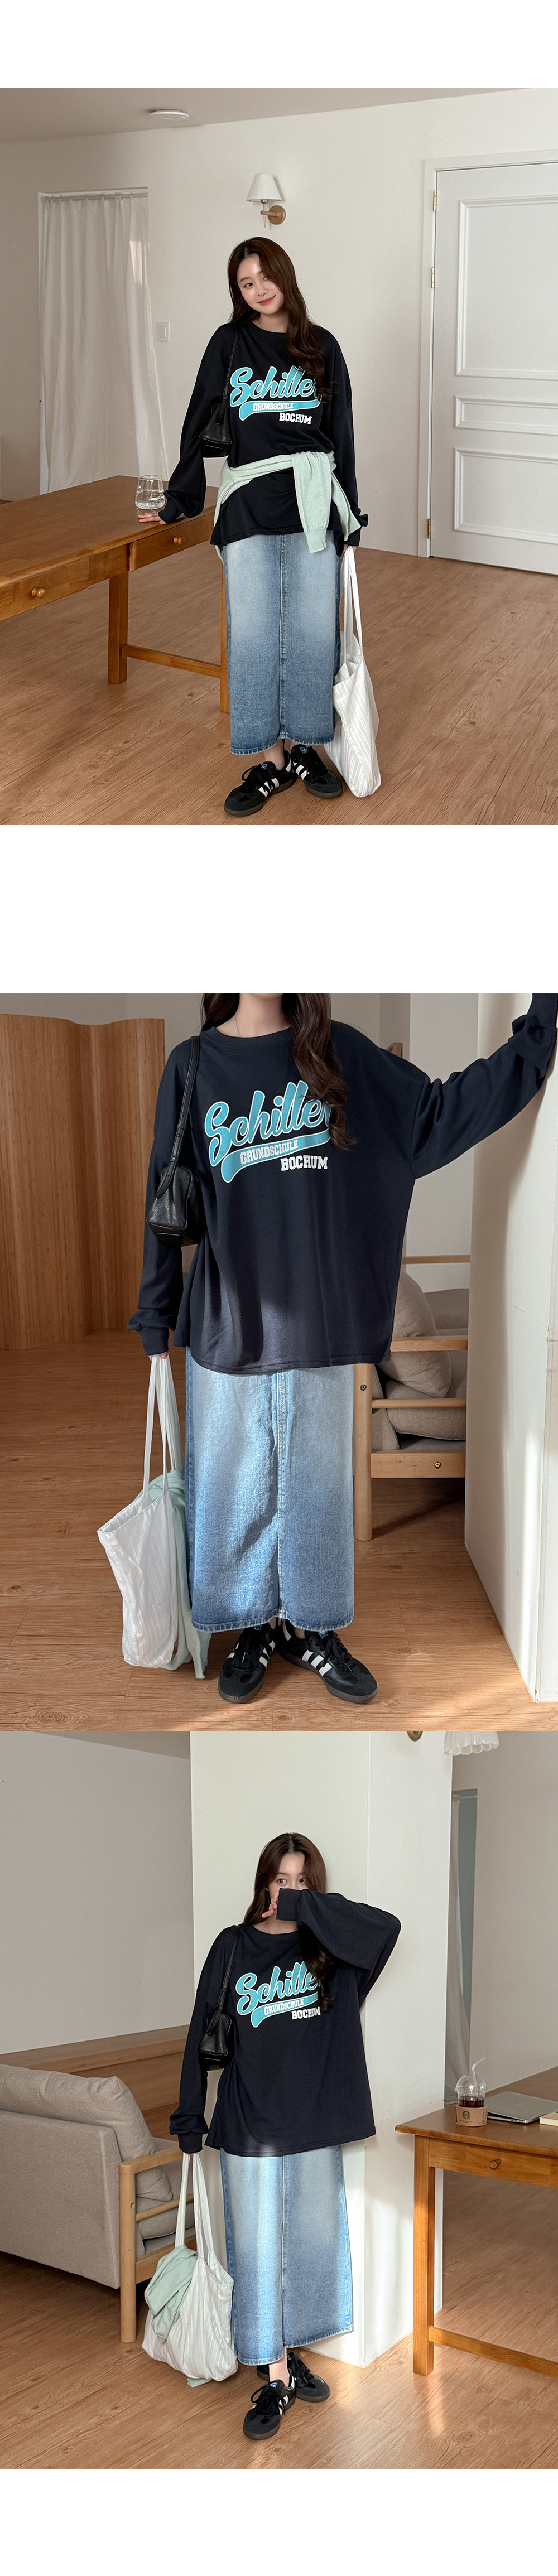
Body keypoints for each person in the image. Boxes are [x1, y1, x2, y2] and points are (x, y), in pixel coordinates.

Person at [129, 990, 558, 1706]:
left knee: (316, 1493)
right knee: (233, 1488)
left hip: (318, 1326)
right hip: (228, 1319)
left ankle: (313, 1627)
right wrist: (154, 1320)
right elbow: (163, 1194)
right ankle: (254, 1625)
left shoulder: (339, 1054)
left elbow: (433, 1115)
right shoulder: (193, 1065)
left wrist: (536, 1034)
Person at [169, 1830, 401, 2441]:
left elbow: (386, 1928)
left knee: (309, 2248)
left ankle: (285, 2355)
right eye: (281, 1880)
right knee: (258, 2250)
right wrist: (189, 2115)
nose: (289, 1891)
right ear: (263, 1882)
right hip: (251, 2122)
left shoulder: (334, 1952)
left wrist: (307, 1909)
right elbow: (199, 2031)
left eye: (302, 1881)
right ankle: (272, 2376)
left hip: (315, 2123)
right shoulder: (233, 1945)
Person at [140, 238, 367, 815]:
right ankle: (270, 758)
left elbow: (341, 433)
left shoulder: (322, 346)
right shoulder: (230, 342)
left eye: (266, 277)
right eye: (246, 283)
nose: (259, 289)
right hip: (248, 504)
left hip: (313, 503)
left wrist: (350, 515)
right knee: (253, 633)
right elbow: (198, 418)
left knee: (314, 631)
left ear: (284, 276)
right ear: (238, 292)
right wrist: (179, 499)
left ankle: (306, 747)